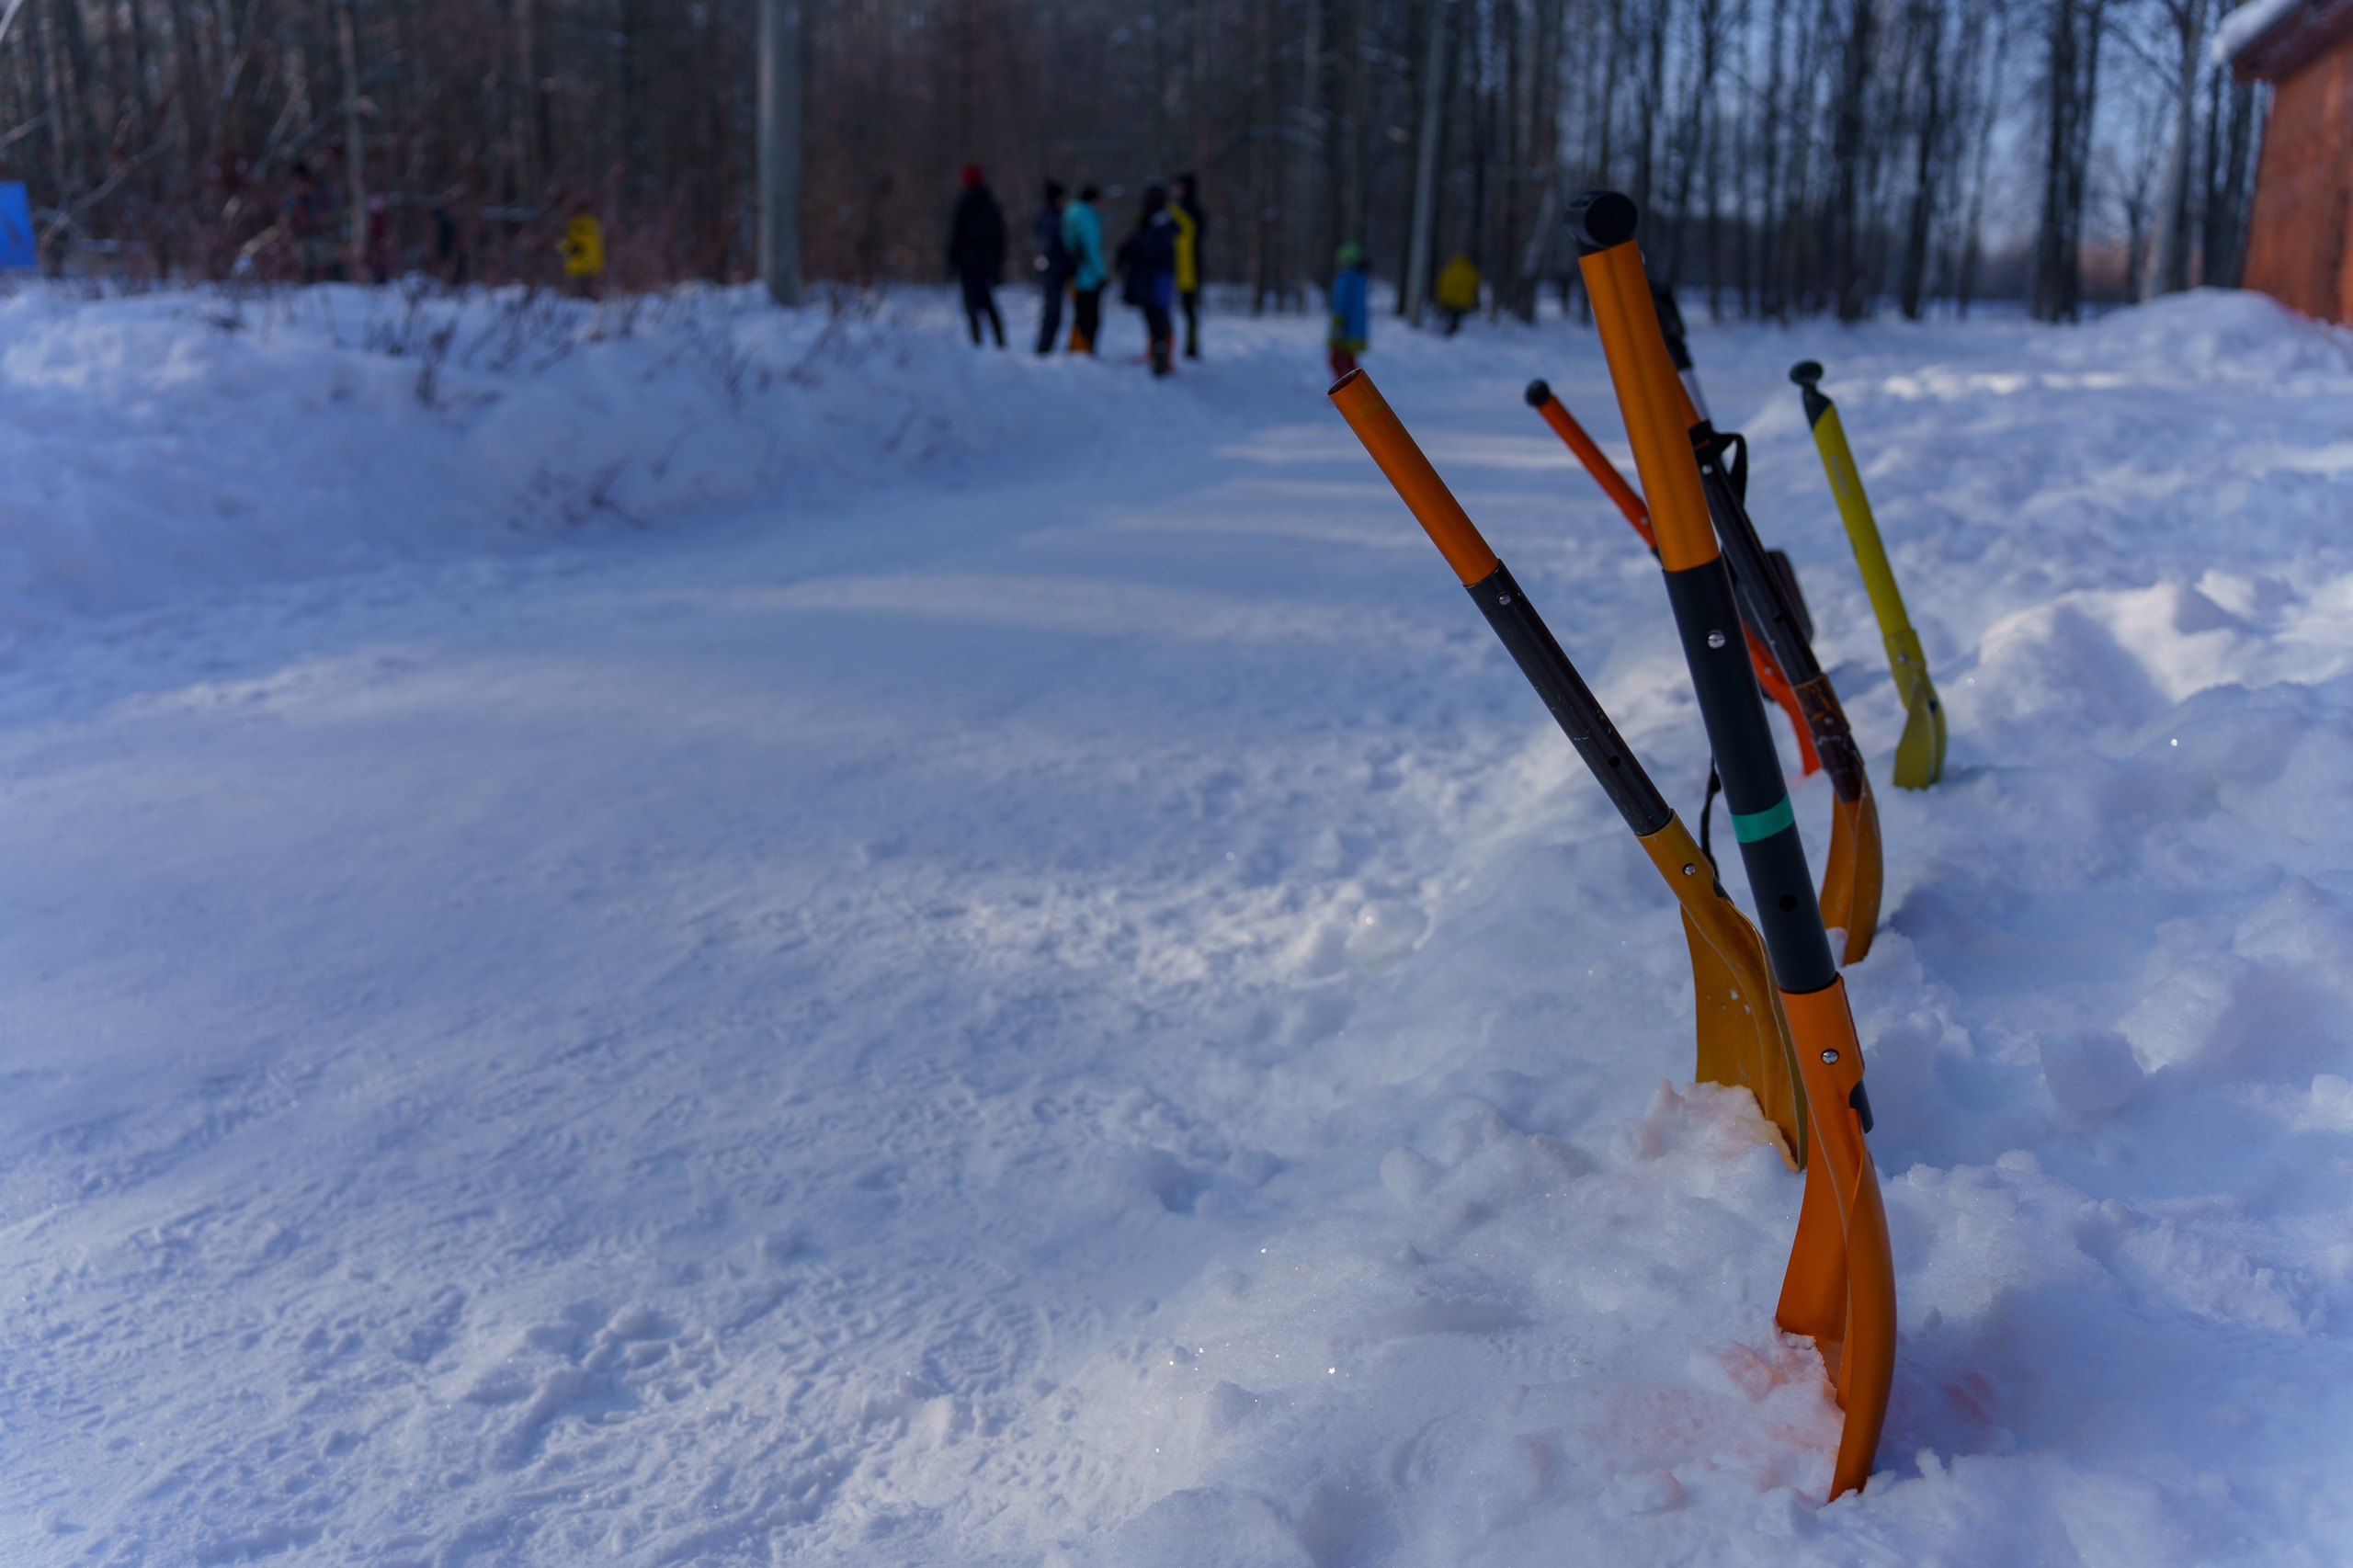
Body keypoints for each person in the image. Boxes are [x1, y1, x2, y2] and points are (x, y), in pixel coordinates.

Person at [1117, 185, 1179, 376]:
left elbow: (1150, 248)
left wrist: (1131, 248)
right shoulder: (1150, 221)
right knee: (1153, 317)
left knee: (1158, 317)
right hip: (1150, 277)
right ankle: (1155, 355)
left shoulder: (1162, 222)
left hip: (1158, 277)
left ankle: (1162, 359)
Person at [946, 163, 1007, 348]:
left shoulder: (964, 203)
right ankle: (1000, 342)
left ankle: (977, 343)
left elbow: (955, 234)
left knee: (971, 303)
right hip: (986, 261)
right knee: (988, 301)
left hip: (968, 262)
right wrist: (998, 264)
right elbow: (1001, 238)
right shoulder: (991, 203)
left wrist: (951, 261)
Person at [1062, 185, 1107, 354]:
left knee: (1080, 315)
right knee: (1090, 317)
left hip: (1075, 275)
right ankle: (1085, 350)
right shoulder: (1088, 218)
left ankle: (1078, 348)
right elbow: (1092, 249)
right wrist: (1101, 274)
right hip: (1088, 277)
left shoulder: (1071, 215)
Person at [1031, 180, 1072, 355]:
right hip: (1053, 274)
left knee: (1052, 312)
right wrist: (1068, 263)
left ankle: (1044, 349)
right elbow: (1051, 249)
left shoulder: (1048, 216)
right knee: (1052, 312)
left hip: (1053, 272)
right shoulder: (1051, 219)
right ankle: (1044, 350)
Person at [1171, 173, 1207, 359]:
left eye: (1178, 187)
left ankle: (1191, 345)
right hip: (1173, 266)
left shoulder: (1193, 211)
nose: (1175, 191)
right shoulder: (1173, 209)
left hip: (1191, 267)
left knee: (1190, 309)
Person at [1328, 241, 1369, 380]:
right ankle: (1352, 391)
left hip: (1344, 327)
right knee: (1349, 362)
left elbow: (1341, 302)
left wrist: (1337, 323)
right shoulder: (1360, 278)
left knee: (1337, 361)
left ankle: (1345, 392)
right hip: (1355, 329)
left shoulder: (1346, 278)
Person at [1435, 252, 1481, 335]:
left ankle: (1445, 329)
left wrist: (1441, 296)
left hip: (1448, 299)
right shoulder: (1469, 271)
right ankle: (1454, 331)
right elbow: (1476, 283)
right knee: (1456, 316)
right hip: (1462, 301)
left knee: (1449, 314)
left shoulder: (1449, 269)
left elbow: (1441, 282)